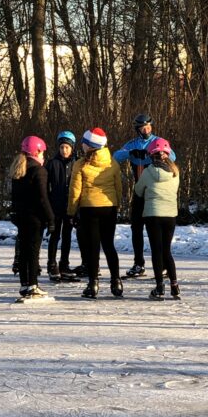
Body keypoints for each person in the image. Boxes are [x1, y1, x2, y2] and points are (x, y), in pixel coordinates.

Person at [113, 112, 175, 278]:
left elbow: (172, 157)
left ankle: (163, 263)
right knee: (136, 227)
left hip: (155, 192)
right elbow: (116, 157)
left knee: (156, 229)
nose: (146, 129)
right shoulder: (132, 143)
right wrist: (131, 153)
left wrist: (150, 154)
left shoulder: (157, 141)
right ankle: (138, 263)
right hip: (139, 190)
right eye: (143, 127)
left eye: (148, 126)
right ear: (137, 129)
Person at [68, 128, 123, 299]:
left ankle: (93, 284)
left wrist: (71, 211)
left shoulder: (81, 164)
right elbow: (118, 188)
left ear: (90, 146)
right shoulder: (112, 163)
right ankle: (116, 281)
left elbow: (75, 190)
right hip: (108, 207)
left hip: (89, 208)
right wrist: (117, 205)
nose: (82, 146)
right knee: (108, 245)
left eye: (84, 143)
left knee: (93, 247)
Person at [134, 137, 181, 300]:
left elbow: (138, 191)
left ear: (151, 155)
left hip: (153, 214)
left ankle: (160, 287)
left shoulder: (147, 172)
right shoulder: (175, 172)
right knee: (167, 250)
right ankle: (174, 285)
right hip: (170, 215)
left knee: (156, 250)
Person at [9, 136, 55, 300]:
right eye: (42, 152)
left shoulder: (18, 168)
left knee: (24, 251)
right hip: (35, 218)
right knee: (33, 252)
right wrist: (51, 218)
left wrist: (14, 213)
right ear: (36, 152)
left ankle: (24, 284)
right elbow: (43, 198)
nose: (44, 155)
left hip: (21, 217)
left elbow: (14, 197)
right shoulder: (39, 170)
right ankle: (33, 285)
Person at [46, 131, 81, 280]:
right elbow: (46, 185)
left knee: (66, 235)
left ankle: (64, 264)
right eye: (62, 147)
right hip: (56, 206)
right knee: (55, 235)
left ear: (72, 148)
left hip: (70, 206)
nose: (64, 150)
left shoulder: (77, 163)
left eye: (67, 147)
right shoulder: (52, 163)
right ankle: (52, 264)